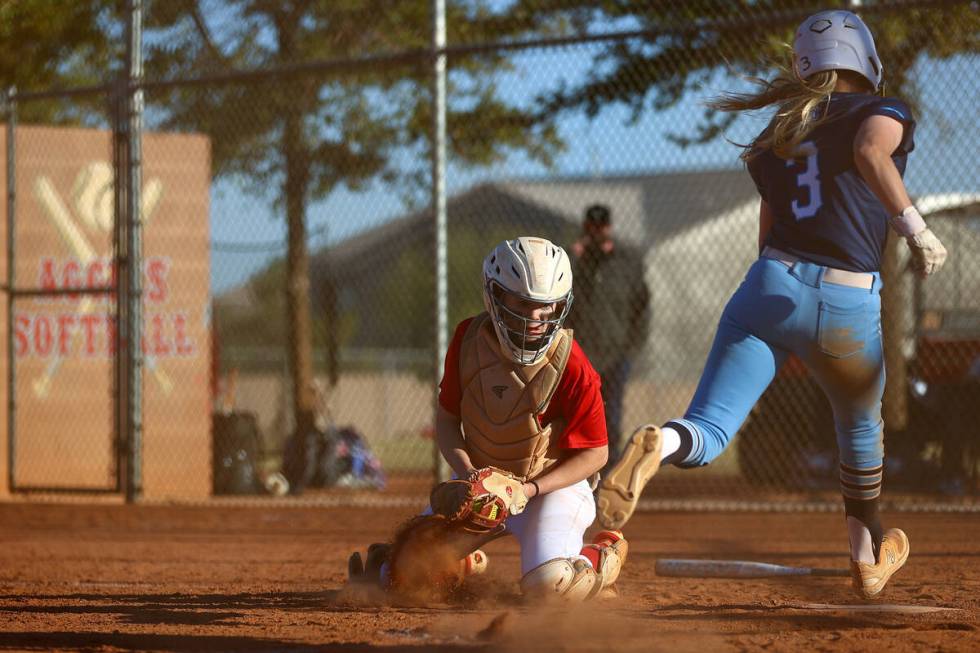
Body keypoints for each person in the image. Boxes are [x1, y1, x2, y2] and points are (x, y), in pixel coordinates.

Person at [595, 9, 947, 600]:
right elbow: (869, 151)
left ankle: (663, 442)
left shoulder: (779, 132)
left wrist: (781, 307)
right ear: (862, 57)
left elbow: (770, 225)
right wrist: (914, 226)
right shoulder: (881, 111)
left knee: (707, 429)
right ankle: (866, 558)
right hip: (846, 297)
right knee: (860, 430)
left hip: (769, 284)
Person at [349, 236, 627, 601]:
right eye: (523, 304)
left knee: (550, 586)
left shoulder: (571, 362)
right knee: (403, 578)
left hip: (550, 491)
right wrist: (470, 477)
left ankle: (600, 555)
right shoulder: (468, 339)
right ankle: (460, 563)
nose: (537, 318)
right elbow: (447, 420)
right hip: (481, 491)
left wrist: (525, 491)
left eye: (547, 307)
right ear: (495, 295)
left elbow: (597, 454)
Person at [568, 204, 651, 473]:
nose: (596, 233)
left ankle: (609, 473)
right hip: (581, 352)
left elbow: (642, 304)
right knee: (579, 414)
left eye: (600, 227)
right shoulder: (574, 263)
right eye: (591, 228)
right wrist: (573, 257)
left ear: (609, 228)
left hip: (616, 352)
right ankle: (580, 472)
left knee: (611, 415)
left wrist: (633, 346)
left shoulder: (625, 262)